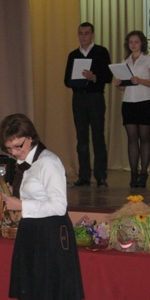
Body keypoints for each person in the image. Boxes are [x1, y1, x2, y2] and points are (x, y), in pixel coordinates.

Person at [0, 114, 85, 300]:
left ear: (31, 137)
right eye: (9, 148)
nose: (15, 152)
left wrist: (22, 205)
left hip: (50, 236)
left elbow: (59, 206)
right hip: (31, 233)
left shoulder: (49, 162)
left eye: (18, 146)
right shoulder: (24, 164)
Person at [64, 22, 113, 187]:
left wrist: (94, 77)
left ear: (92, 35)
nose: (83, 36)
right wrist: (76, 79)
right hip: (78, 99)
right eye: (81, 33)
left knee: (98, 137)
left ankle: (101, 176)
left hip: (95, 97)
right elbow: (66, 81)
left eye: (86, 33)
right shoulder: (73, 55)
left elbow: (108, 76)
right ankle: (84, 176)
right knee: (81, 139)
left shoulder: (101, 52)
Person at [114, 30, 150, 188]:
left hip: (145, 101)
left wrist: (140, 80)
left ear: (142, 43)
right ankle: (133, 174)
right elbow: (125, 88)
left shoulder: (149, 59)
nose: (133, 44)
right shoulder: (125, 62)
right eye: (130, 42)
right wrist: (119, 84)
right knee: (132, 138)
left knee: (144, 138)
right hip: (129, 102)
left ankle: (143, 173)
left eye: (136, 41)